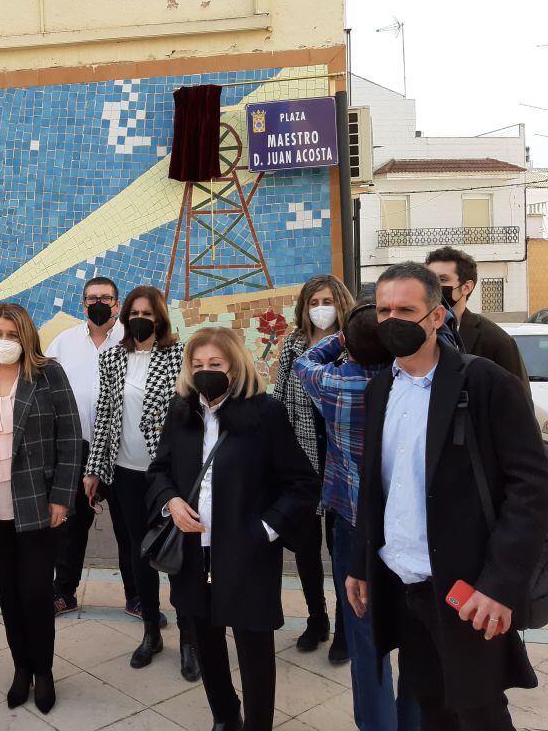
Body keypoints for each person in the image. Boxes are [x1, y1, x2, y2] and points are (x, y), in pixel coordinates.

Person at [346, 262, 548, 730]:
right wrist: (361, 565)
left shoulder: (484, 383)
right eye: (383, 310)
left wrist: (498, 586)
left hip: (467, 588)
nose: (392, 320)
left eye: (405, 309)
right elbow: (374, 486)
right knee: (429, 703)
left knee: (479, 711)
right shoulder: (380, 389)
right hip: (403, 583)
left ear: (437, 316)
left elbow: (532, 490)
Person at [147, 327, 318, 731]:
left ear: (235, 367)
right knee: (205, 640)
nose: (205, 371)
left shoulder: (266, 414)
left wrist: (264, 530)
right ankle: (225, 714)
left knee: (254, 644)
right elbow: (159, 471)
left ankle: (258, 723)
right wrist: (170, 501)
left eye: (215, 364)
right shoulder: (182, 411)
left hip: (247, 552)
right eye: (198, 364)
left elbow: (302, 483)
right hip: (193, 550)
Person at [293, 304, 420, 731]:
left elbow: (303, 362)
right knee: (416, 636)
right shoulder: (413, 385)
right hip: (408, 526)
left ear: (347, 343)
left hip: (353, 525)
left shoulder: (334, 385)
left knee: (366, 640)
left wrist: (339, 339)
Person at [0, 303, 82, 715]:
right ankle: (20, 667)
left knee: (37, 592)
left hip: (37, 503)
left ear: (26, 336)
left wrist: (62, 496)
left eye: (11, 334)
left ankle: (43, 671)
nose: (3, 341)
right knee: (8, 592)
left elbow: (71, 437)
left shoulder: (48, 375)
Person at [84, 286, 185, 675]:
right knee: (139, 552)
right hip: (125, 471)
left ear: (160, 316)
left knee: (180, 552)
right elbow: (105, 417)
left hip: (168, 475)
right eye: (134, 311)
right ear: (124, 317)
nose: (141, 318)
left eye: (148, 312)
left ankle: (189, 634)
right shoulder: (112, 357)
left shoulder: (178, 355)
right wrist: (94, 470)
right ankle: (150, 630)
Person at [44, 277, 139, 619]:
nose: (99, 304)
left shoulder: (134, 340)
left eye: (106, 298)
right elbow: (45, 390)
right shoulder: (63, 343)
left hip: (124, 450)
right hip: (76, 448)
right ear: (82, 304)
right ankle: (63, 593)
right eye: (92, 298)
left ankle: (138, 596)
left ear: (118, 303)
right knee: (69, 526)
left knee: (129, 527)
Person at [272, 274, 354, 660]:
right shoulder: (293, 345)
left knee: (342, 553)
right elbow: (278, 397)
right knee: (305, 550)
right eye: (313, 301)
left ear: (341, 303)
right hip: (302, 462)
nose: (321, 308)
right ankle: (316, 618)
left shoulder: (357, 346)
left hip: (344, 464)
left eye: (327, 300)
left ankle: (344, 629)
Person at [426, 246, 529, 387]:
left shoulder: (496, 340)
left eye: (442, 280)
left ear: (466, 287)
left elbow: (517, 399)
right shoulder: (414, 331)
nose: (433, 287)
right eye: (429, 280)